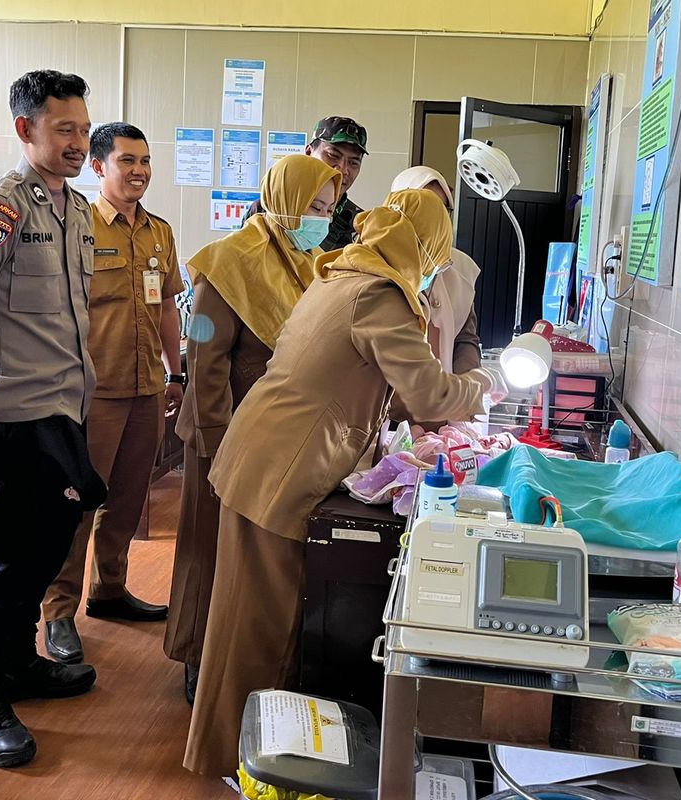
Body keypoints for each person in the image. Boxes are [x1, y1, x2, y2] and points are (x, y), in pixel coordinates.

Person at [183, 189, 508, 776]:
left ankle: (236, 755)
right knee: (260, 628)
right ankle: (246, 765)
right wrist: (490, 381)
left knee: (243, 619)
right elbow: (431, 392)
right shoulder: (379, 296)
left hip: (265, 455)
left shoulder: (342, 275)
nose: (438, 266)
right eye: (436, 253)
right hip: (281, 468)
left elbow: (371, 385)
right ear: (422, 245)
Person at [0, 69, 105, 768]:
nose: (78, 141)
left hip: (64, 410)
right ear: (25, 129)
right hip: (13, 415)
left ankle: (16, 664)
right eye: (63, 129)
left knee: (44, 552)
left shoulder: (75, 209)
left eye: (82, 128)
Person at [164, 154, 342, 706]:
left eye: (329, 209)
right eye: (314, 205)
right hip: (221, 431)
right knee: (207, 545)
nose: (322, 219)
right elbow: (205, 352)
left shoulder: (312, 263)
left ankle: (242, 655)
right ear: (284, 197)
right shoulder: (227, 260)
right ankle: (197, 653)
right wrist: (216, 437)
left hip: (274, 438)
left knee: (252, 557)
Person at [41, 122, 184, 664]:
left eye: (145, 161)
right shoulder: (76, 225)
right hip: (91, 393)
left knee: (127, 498)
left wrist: (177, 372)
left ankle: (109, 590)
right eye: (128, 161)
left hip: (147, 387)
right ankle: (58, 613)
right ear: (99, 166)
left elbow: (168, 306)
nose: (140, 171)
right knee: (77, 504)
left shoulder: (159, 232)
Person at [390, 166, 484, 433]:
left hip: (443, 413)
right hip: (385, 414)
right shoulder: (378, 266)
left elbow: (466, 338)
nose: (434, 217)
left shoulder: (459, 270)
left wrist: (469, 382)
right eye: (424, 205)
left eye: (442, 209)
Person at [245, 116, 367, 251]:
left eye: (353, 163)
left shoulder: (361, 225)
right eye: (333, 155)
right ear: (309, 152)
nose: (342, 170)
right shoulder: (267, 209)